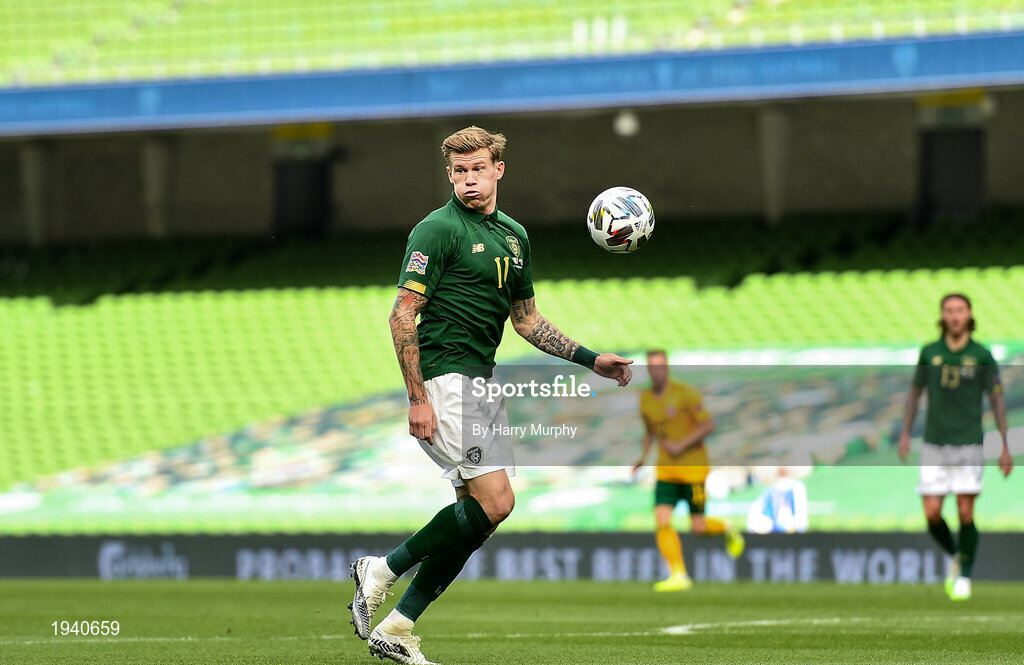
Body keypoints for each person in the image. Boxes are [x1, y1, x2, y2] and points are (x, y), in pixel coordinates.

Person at [348, 126, 634, 664]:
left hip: (482, 381)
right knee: (497, 501)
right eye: (459, 171)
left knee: (476, 522)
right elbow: (402, 315)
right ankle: (380, 570)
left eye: (478, 168)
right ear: (449, 175)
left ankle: (398, 627)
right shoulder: (436, 230)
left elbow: (526, 320)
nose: (469, 180)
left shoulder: (514, 237)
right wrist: (417, 398)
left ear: (498, 169)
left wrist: (590, 359)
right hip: (446, 378)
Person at [898, 293, 1013, 601]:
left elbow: (997, 399)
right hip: (934, 442)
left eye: (960, 310)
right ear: (942, 316)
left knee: (965, 511)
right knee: (932, 512)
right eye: (949, 310)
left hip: (969, 442)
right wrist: (905, 433)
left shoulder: (982, 355)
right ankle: (955, 555)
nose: (954, 315)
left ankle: (964, 576)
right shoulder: (930, 352)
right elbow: (915, 393)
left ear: (969, 315)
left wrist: (1005, 445)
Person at [634, 349, 744, 592]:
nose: (656, 371)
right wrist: (642, 458)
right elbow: (650, 432)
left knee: (698, 527)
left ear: (667, 368)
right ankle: (678, 574)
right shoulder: (646, 399)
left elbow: (708, 425)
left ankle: (727, 526)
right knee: (662, 519)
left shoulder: (686, 393)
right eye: (652, 367)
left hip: (694, 470)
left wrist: (680, 445)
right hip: (666, 471)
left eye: (660, 366)